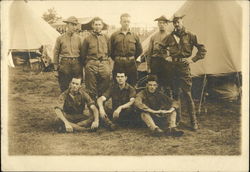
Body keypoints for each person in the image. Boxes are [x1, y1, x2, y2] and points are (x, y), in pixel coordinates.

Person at [161, 15, 207, 130]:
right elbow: (160, 47)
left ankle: (193, 122)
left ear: (182, 21)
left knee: (187, 94)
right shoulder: (170, 36)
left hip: (184, 68)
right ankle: (178, 120)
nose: (176, 24)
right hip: (173, 68)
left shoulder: (190, 35)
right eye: (174, 22)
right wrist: (166, 57)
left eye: (178, 22)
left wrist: (192, 59)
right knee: (175, 95)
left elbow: (202, 49)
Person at [81, 17, 111, 101]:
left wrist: (106, 62)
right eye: (96, 24)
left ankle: (101, 106)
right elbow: (83, 54)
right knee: (91, 87)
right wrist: (87, 64)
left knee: (105, 85)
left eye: (99, 24)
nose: (97, 26)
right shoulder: (87, 39)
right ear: (92, 26)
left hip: (104, 63)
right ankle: (93, 107)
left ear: (102, 26)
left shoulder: (106, 38)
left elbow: (110, 52)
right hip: (91, 63)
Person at [110, 13, 143, 87]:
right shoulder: (114, 35)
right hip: (119, 62)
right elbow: (110, 50)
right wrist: (117, 58)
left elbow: (139, 50)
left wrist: (132, 58)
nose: (126, 23)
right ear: (120, 22)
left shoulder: (135, 35)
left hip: (131, 62)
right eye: (124, 21)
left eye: (128, 21)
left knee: (132, 82)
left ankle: (131, 98)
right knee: (118, 82)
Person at [54, 16, 83, 92]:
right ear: (67, 25)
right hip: (65, 64)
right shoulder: (60, 38)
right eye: (72, 24)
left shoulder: (79, 38)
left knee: (77, 85)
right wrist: (55, 69)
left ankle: (76, 103)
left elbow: (82, 53)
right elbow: (56, 53)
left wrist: (81, 67)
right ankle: (65, 102)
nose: (74, 27)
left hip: (76, 64)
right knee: (64, 86)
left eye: (75, 25)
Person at [146, 15, 172, 96]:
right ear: (157, 24)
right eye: (160, 23)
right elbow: (149, 52)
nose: (161, 25)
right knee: (155, 82)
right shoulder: (153, 37)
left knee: (166, 83)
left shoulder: (170, 36)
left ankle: (167, 100)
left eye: (164, 23)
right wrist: (148, 66)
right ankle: (155, 98)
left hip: (166, 63)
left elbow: (173, 51)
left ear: (167, 24)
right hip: (155, 62)